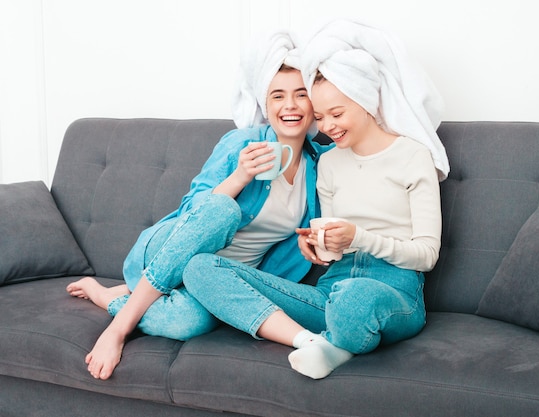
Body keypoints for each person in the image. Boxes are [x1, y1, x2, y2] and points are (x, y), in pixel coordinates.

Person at [182, 18, 448, 380]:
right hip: (331, 293)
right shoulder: (330, 161)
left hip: (393, 293)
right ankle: (315, 342)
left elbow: (427, 255)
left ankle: (336, 341)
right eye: (320, 117)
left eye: (337, 114)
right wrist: (321, 249)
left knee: (354, 299)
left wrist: (359, 238)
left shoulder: (412, 157)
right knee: (199, 267)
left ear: (367, 102)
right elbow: (333, 249)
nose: (326, 127)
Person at [65, 29, 328, 380]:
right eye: (278, 95)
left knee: (189, 322)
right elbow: (196, 212)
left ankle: (112, 296)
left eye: (300, 95)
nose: (290, 106)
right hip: (171, 247)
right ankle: (118, 327)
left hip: (210, 277)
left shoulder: (320, 166)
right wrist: (240, 177)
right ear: (265, 105)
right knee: (223, 209)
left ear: (314, 103)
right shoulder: (242, 143)